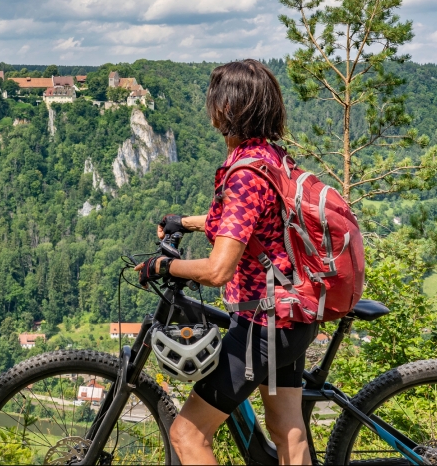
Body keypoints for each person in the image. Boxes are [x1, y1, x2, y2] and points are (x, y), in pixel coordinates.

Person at [135, 59, 319, 465]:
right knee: (288, 432)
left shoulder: (246, 174)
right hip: (292, 315)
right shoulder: (269, 157)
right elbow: (246, 224)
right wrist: (185, 222)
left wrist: (161, 267)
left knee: (187, 435)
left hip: (264, 323)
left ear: (229, 109)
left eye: (214, 100)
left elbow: (218, 271)